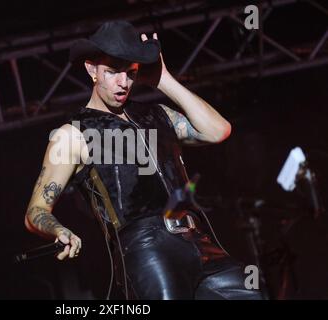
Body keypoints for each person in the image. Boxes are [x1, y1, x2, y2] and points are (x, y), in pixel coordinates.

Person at [25, 20, 263, 300]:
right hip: (147, 247)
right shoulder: (73, 134)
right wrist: (59, 229)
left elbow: (218, 131)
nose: (123, 83)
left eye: (130, 73)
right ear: (91, 70)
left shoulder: (158, 115)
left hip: (198, 239)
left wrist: (164, 80)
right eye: (113, 72)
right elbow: (36, 210)